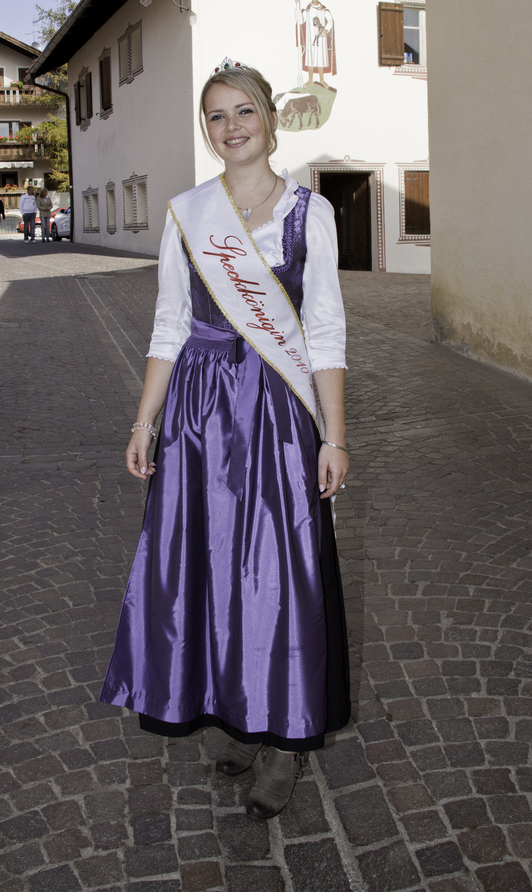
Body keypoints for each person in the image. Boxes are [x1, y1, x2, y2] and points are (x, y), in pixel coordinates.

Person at [100, 64, 350, 820]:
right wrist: (145, 421)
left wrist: (332, 435)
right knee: (205, 566)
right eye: (215, 115)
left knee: (277, 573)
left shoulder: (311, 213)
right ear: (205, 129)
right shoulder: (187, 213)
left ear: (271, 120)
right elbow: (169, 325)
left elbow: (326, 328)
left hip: (276, 414)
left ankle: (284, 740)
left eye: (244, 111)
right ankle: (230, 710)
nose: (231, 125)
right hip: (200, 414)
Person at [296, 0, 336, 89]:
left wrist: (325, 30)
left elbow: (330, 20)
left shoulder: (323, 10)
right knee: (311, 57)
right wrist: (298, 8)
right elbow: (301, 20)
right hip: (310, 37)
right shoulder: (308, 10)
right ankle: (310, 79)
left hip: (321, 37)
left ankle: (322, 79)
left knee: (320, 57)